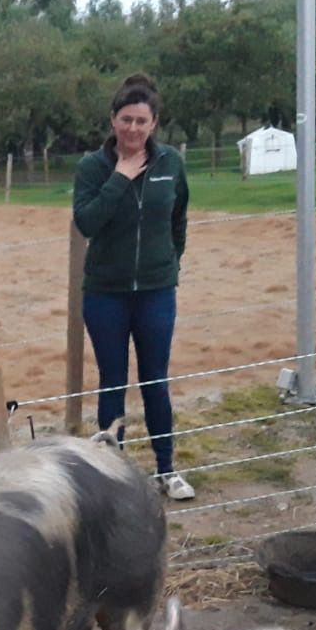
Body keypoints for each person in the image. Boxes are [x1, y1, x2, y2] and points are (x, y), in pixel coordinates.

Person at [72, 73, 194, 500]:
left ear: (154, 123)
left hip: (157, 292)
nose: (133, 129)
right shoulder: (93, 167)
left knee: (155, 381)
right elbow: (87, 221)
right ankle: (115, 478)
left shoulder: (171, 164)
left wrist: (167, 264)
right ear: (113, 120)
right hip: (106, 293)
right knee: (112, 381)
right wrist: (120, 177)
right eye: (126, 119)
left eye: (142, 121)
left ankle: (166, 469)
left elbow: (178, 220)